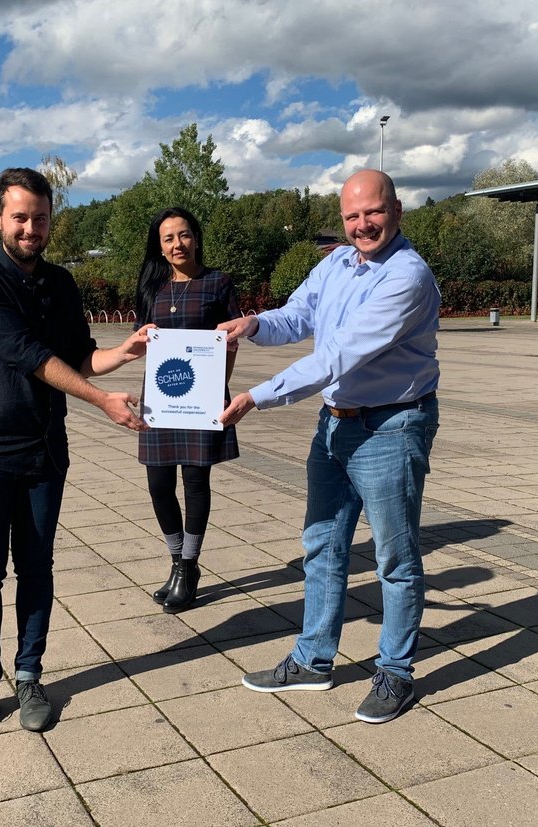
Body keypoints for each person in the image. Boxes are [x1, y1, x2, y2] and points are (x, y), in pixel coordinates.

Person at [218, 169, 440, 724]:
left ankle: (395, 672)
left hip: (392, 426)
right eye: (351, 216)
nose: (362, 225)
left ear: (396, 211)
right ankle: (314, 660)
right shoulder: (337, 262)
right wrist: (251, 325)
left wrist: (256, 398)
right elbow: (298, 316)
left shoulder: (406, 277)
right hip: (335, 425)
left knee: (394, 558)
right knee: (322, 545)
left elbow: (336, 357)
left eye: (373, 212)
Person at [0, 167, 150, 744]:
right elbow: (28, 354)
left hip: (42, 447)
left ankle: (30, 676)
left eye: (39, 218)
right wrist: (102, 403)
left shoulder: (61, 283)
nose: (31, 228)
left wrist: (126, 352)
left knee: (37, 567)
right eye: (20, 218)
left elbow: (78, 358)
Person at [134, 207, 241, 613]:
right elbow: (140, 340)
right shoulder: (151, 286)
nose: (177, 244)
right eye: (168, 238)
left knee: (195, 484)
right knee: (159, 485)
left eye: (184, 235)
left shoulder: (217, 283)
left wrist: (218, 391)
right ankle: (178, 561)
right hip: (161, 398)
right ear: (159, 247)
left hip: (201, 401)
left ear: (196, 237)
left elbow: (230, 341)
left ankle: (189, 565)